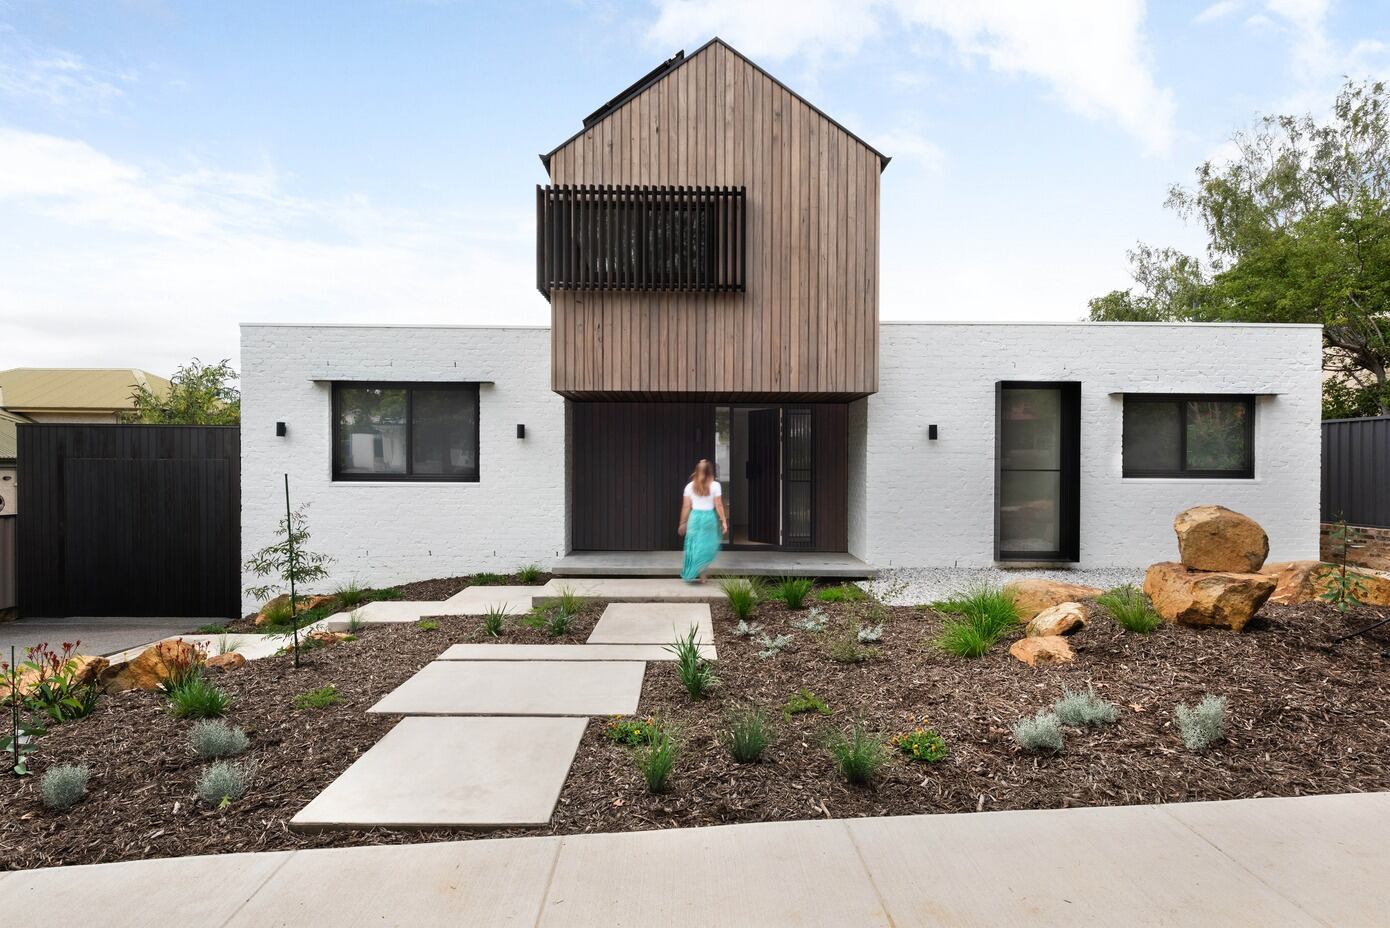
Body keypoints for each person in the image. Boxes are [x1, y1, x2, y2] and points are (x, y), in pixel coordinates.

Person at [678, 459, 727, 582]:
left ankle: (697, 572)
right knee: (706, 546)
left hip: (694, 518)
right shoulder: (715, 485)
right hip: (709, 519)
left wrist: (682, 522)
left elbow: (686, 507)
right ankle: (702, 574)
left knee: (695, 546)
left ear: (697, 471)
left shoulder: (689, 486)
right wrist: (724, 521)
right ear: (710, 471)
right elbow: (719, 505)